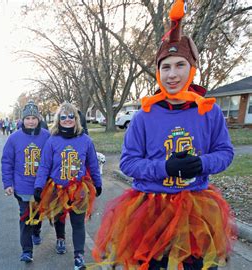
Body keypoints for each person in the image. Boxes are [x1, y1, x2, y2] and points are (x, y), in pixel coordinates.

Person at [92, 2, 235, 269]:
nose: (172, 74)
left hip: (196, 208)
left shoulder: (209, 110)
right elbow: (128, 162)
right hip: (150, 209)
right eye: (165, 67)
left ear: (191, 68)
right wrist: (164, 167)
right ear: (158, 72)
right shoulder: (145, 115)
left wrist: (202, 164)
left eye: (180, 65)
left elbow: (225, 153)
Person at [30, 102, 102, 270]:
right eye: (63, 117)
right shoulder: (52, 140)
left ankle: (79, 256)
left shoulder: (85, 140)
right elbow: (44, 166)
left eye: (71, 116)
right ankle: (60, 238)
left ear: (76, 119)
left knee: (78, 223)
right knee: (59, 217)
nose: (68, 119)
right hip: (57, 188)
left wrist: (97, 184)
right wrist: (39, 186)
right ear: (58, 120)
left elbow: (92, 164)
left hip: (79, 189)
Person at [1, 101, 50, 263]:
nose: (30, 121)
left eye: (33, 118)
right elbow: (7, 161)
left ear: (38, 119)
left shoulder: (47, 136)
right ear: (22, 120)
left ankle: (36, 230)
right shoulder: (14, 138)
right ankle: (26, 250)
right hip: (22, 186)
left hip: (42, 187)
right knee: (25, 216)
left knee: (37, 214)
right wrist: (8, 183)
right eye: (27, 118)